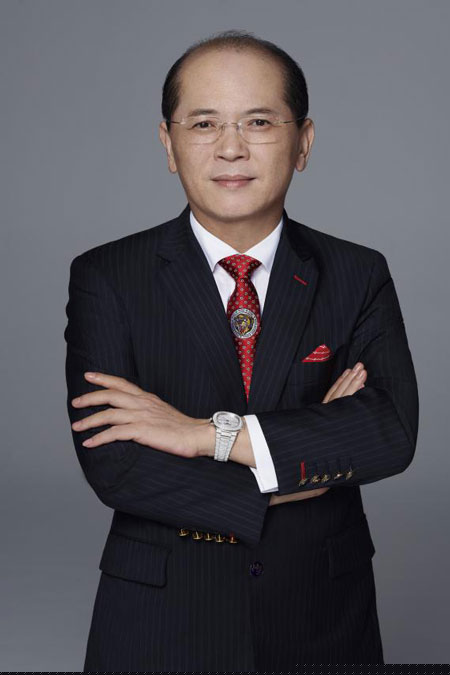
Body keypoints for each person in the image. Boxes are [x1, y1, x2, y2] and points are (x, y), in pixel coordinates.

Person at [64, 29, 419, 670]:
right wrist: (297, 471)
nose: (231, 147)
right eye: (204, 124)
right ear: (168, 143)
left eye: (258, 122)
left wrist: (204, 435)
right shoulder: (108, 276)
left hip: (321, 612)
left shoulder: (357, 272)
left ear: (303, 142)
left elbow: (388, 432)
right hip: (159, 616)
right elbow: (116, 463)